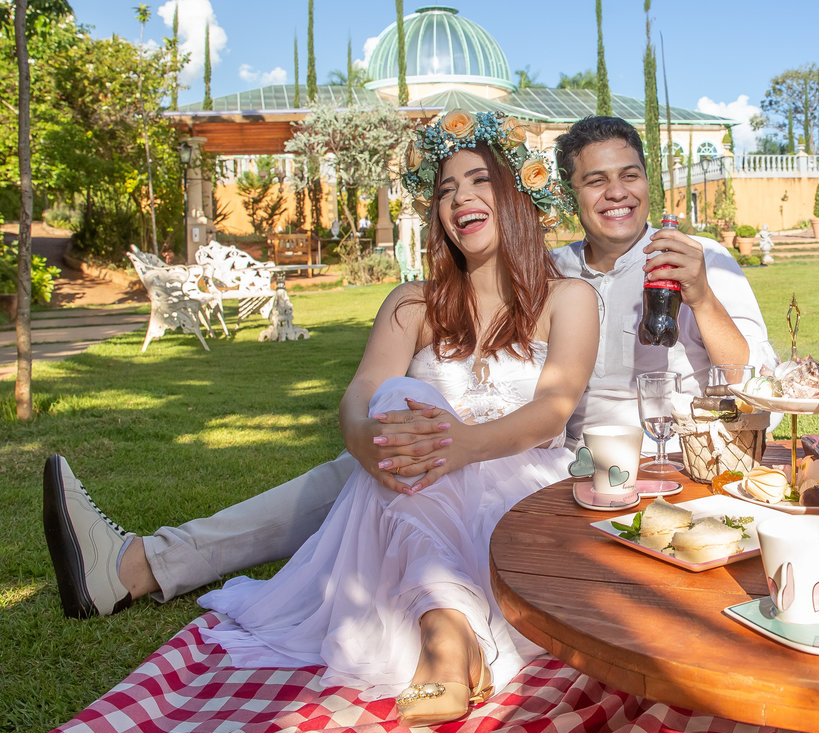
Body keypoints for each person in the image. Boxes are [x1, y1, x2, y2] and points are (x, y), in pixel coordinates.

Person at [42, 115, 774, 620]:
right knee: (359, 467)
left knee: (378, 470)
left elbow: (759, 386)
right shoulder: (552, 274)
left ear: (649, 180)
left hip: (649, 464)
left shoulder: (699, 258)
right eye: (594, 180)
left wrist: (703, 296)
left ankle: (138, 566)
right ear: (565, 195)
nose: (616, 192)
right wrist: (397, 427)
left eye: (630, 175)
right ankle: (138, 566)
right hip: (554, 455)